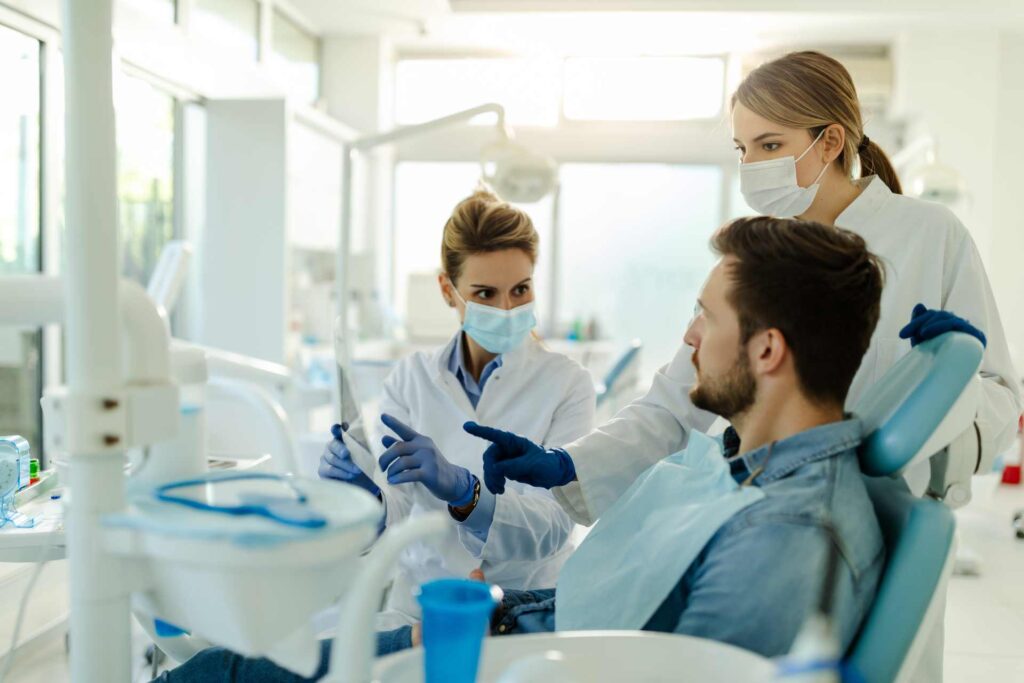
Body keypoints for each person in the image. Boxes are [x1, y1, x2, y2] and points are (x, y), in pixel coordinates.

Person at [153, 215, 888, 682]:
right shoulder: (747, 467)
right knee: (230, 661)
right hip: (494, 623)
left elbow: (666, 667)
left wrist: (477, 519)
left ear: (765, 349)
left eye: (703, 314)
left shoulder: (787, 533)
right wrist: (479, 596)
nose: (688, 338)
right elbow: (626, 587)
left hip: (516, 656)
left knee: (223, 672)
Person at [476, 49, 1020, 529]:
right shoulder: (755, 258)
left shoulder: (930, 234)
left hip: (890, 520)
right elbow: (676, 401)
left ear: (829, 141)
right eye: (742, 149)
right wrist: (570, 464)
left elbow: (1000, 398)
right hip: (775, 518)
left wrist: (944, 393)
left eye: (769, 144)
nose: (751, 166)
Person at [318, 187, 595, 630]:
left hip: (525, 611)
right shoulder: (410, 380)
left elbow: (555, 525)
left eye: (520, 289)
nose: (506, 309)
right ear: (448, 290)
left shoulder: (568, 384)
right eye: (485, 293)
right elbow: (398, 507)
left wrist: (469, 495)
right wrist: (366, 500)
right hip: (422, 609)